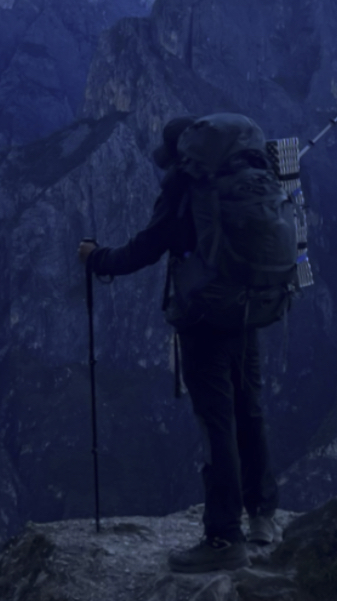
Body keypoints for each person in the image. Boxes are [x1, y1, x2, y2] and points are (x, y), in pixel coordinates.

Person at [76, 115, 281, 574]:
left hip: (204, 317)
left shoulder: (184, 191)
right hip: (248, 307)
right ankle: (263, 515)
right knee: (251, 408)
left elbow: (142, 250)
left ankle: (223, 537)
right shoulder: (244, 177)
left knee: (217, 423)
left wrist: (96, 259)